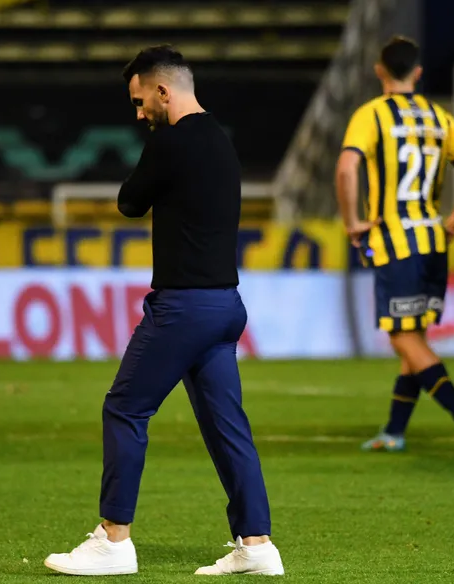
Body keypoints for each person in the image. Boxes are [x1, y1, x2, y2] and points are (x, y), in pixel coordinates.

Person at [43, 46, 284, 577]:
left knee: (125, 409)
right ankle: (257, 544)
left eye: (139, 102)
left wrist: (155, 155)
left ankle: (113, 540)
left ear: (162, 90)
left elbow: (130, 201)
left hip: (182, 307)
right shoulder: (220, 138)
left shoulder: (170, 141)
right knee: (227, 427)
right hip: (226, 304)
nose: (138, 114)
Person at [335, 36, 454, 452]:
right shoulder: (439, 116)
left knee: (402, 338)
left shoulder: (372, 114)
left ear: (379, 70)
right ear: (418, 73)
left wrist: (352, 222)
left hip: (396, 243)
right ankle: (394, 431)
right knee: (414, 339)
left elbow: (347, 168)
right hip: (433, 241)